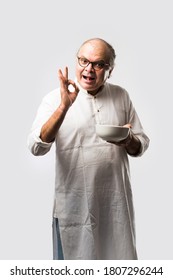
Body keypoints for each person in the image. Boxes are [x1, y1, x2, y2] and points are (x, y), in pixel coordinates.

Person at [27, 38, 149, 260]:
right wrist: (64, 107)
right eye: (83, 61)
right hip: (73, 209)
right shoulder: (55, 99)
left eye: (98, 64)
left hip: (114, 207)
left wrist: (128, 140)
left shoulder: (121, 96)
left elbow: (140, 144)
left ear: (110, 69)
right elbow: (36, 146)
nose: (89, 69)